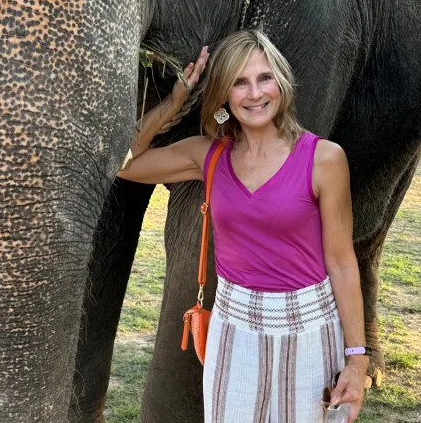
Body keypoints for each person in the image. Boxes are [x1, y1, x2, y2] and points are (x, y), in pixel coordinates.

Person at [118, 30, 369, 422]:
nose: (255, 93)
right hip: (233, 329)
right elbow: (125, 161)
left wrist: (356, 360)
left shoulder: (323, 159)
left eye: (264, 78)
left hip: (309, 329)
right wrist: (175, 102)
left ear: (281, 84)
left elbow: (342, 262)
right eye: (239, 82)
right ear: (224, 95)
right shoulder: (208, 156)